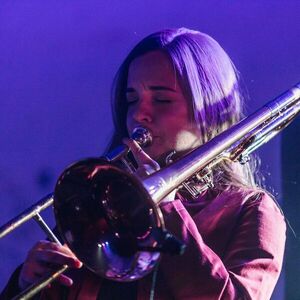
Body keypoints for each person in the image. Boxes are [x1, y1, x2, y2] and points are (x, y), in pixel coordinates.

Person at [1, 27, 286, 299]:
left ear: (208, 110)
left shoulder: (251, 209)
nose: (139, 114)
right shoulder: (105, 200)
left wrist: (167, 211)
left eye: (161, 99)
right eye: (131, 99)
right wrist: (27, 285)